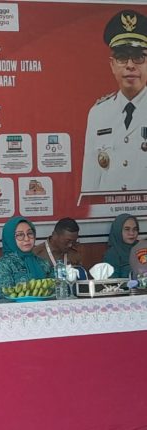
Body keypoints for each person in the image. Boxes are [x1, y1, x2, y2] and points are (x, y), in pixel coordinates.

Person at [81, 9, 147, 195]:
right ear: (112, 65)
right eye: (122, 57)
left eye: (139, 57)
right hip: (107, 211)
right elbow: (90, 181)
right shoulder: (98, 114)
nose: (130, 65)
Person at [0, 216, 53, 291]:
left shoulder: (42, 263)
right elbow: (6, 293)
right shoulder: (2, 265)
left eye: (30, 233)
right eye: (20, 235)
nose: (27, 239)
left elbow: (54, 289)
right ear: (10, 238)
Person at [104, 213, 141, 278]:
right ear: (118, 230)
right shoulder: (112, 254)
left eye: (135, 229)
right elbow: (112, 281)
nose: (132, 233)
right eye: (127, 229)